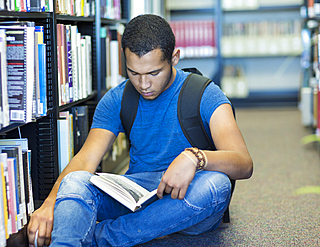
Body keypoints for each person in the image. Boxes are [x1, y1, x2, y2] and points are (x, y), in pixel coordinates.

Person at [27, 14, 253, 247]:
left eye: (154, 73)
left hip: (187, 197)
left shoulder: (206, 94)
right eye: (134, 73)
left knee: (217, 185)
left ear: (174, 58)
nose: (143, 85)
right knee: (74, 182)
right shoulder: (117, 99)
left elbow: (244, 164)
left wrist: (195, 158)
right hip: (136, 196)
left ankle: (102, 237)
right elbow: (85, 162)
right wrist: (50, 203)